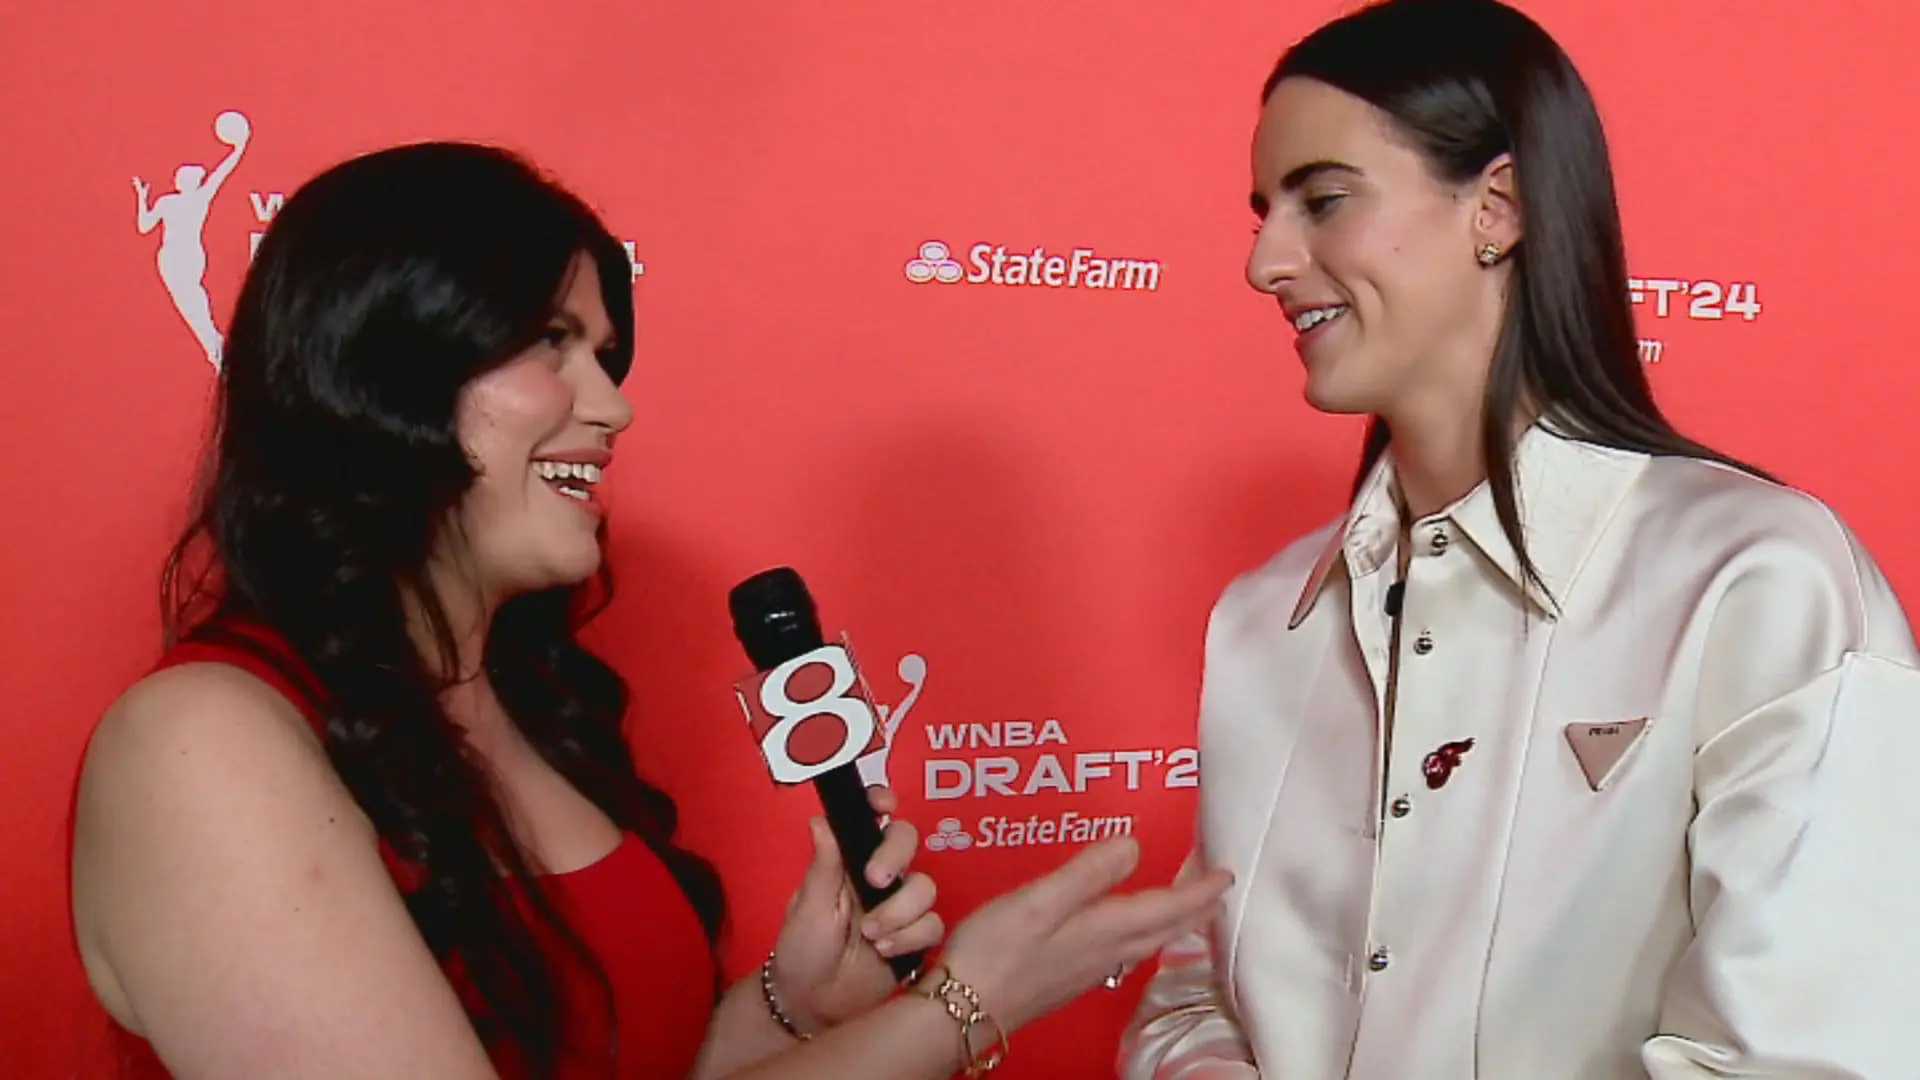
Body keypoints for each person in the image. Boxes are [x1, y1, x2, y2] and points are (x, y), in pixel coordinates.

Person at [69, 141, 1232, 1080]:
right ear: (379, 372)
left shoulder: (523, 707)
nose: (614, 410)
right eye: (551, 347)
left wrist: (790, 1006)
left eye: (609, 356)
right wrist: (966, 1007)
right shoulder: (201, 745)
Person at [1119, 1, 1920, 1077]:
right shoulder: (1267, 620)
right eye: (1266, 212)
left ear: (1497, 207)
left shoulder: (1755, 579)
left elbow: (1812, 1053)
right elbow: (1192, 994)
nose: (1267, 261)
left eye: (1324, 200)